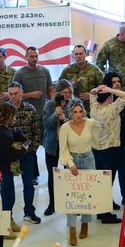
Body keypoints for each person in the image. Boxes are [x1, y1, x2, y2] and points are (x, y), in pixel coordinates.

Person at [58, 99, 99, 245]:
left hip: (89, 159)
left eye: (80, 111)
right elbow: (63, 149)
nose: (78, 114)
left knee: (87, 194)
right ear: (70, 113)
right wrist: (70, 164)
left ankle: (85, 223)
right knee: (72, 196)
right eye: (75, 112)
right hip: (73, 160)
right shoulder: (65, 127)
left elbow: (101, 132)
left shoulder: (90, 123)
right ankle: (72, 229)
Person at [90, 76, 125, 224]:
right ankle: (106, 214)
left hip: (97, 150)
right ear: (109, 97)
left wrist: (99, 89)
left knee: (101, 182)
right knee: (108, 183)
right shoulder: (112, 109)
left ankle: (101, 211)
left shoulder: (94, 109)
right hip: (111, 150)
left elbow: (92, 94)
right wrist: (109, 89)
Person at [3, 83, 42, 224]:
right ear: (8, 94)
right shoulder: (4, 110)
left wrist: (31, 150)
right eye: (11, 93)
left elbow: (37, 132)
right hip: (9, 155)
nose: (14, 96)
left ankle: (29, 212)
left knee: (28, 184)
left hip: (26, 154)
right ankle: (7, 216)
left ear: (21, 93)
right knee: (7, 186)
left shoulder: (30, 109)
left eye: (16, 93)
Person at [43, 80, 74, 216]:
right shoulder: (49, 105)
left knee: (70, 173)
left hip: (68, 145)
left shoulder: (73, 104)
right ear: (58, 93)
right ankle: (52, 203)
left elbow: (77, 122)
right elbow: (46, 124)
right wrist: (55, 114)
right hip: (52, 145)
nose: (67, 95)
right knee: (52, 174)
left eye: (69, 92)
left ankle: (71, 202)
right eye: (64, 93)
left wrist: (65, 119)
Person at [12, 46, 54, 128]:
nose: (34, 59)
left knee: (43, 138)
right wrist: (31, 95)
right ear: (26, 57)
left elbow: (50, 90)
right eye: (32, 56)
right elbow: (14, 96)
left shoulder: (45, 71)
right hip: (25, 114)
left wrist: (53, 105)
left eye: (36, 56)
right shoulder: (19, 74)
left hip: (43, 113)